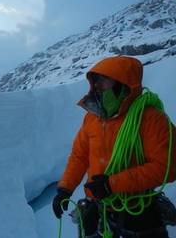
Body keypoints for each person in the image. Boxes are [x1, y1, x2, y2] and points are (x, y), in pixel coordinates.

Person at [52, 56, 176, 238]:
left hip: (137, 212)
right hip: (98, 205)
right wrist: (65, 189)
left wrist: (112, 184)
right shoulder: (92, 118)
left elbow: (168, 167)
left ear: (122, 84)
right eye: (95, 80)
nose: (96, 86)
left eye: (103, 80)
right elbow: (80, 155)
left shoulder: (151, 119)